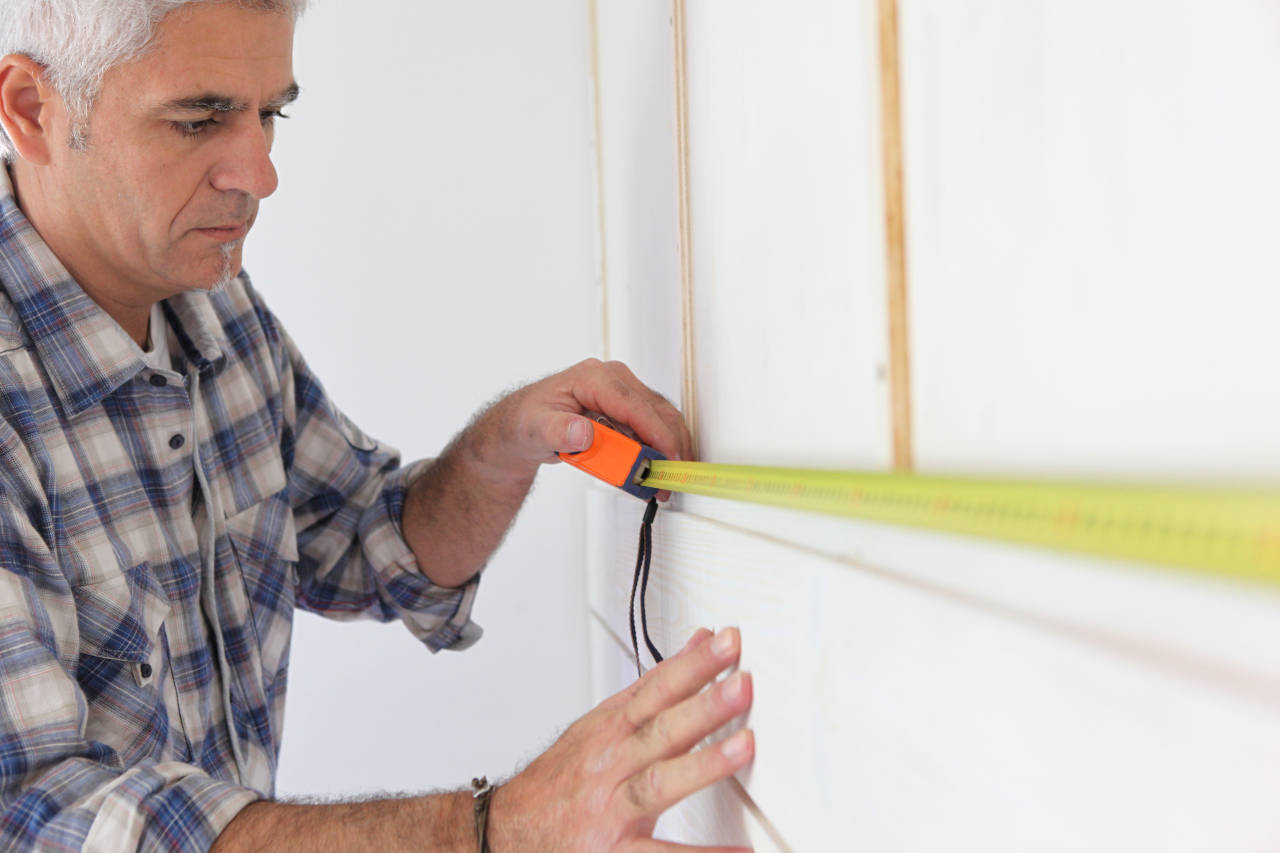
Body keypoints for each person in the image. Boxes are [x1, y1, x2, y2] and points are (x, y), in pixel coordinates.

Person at [0, 0, 755, 850]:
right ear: (33, 109)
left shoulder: (209, 301)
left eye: (269, 113)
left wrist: (498, 446)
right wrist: (491, 830)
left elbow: (366, 541)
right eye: (199, 118)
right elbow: (34, 816)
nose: (258, 172)